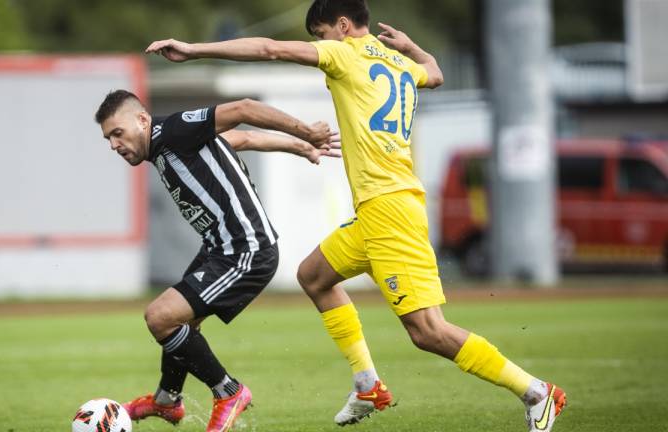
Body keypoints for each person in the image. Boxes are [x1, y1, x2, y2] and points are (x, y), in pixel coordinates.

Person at [144, 1, 567, 431]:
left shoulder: (345, 52)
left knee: (428, 331)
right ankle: (367, 384)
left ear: (343, 26)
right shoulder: (401, 64)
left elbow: (270, 48)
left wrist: (194, 49)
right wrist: (413, 48)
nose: (319, 44)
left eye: (321, 34)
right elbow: (435, 74)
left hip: (391, 211)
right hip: (379, 209)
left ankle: (536, 392)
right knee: (314, 276)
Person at [94, 90, 339, 432]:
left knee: (160, 317)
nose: (114, 144)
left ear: (142, 120)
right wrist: (298, 147)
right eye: (108, 138)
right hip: (217, 248)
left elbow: (244, 109)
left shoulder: (174, 130)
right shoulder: (168, 147)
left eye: (117, 133)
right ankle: (166, 399)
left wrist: (307, 132)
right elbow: (244, 138)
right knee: (181, 323)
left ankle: (228, 392)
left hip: (245, 250)